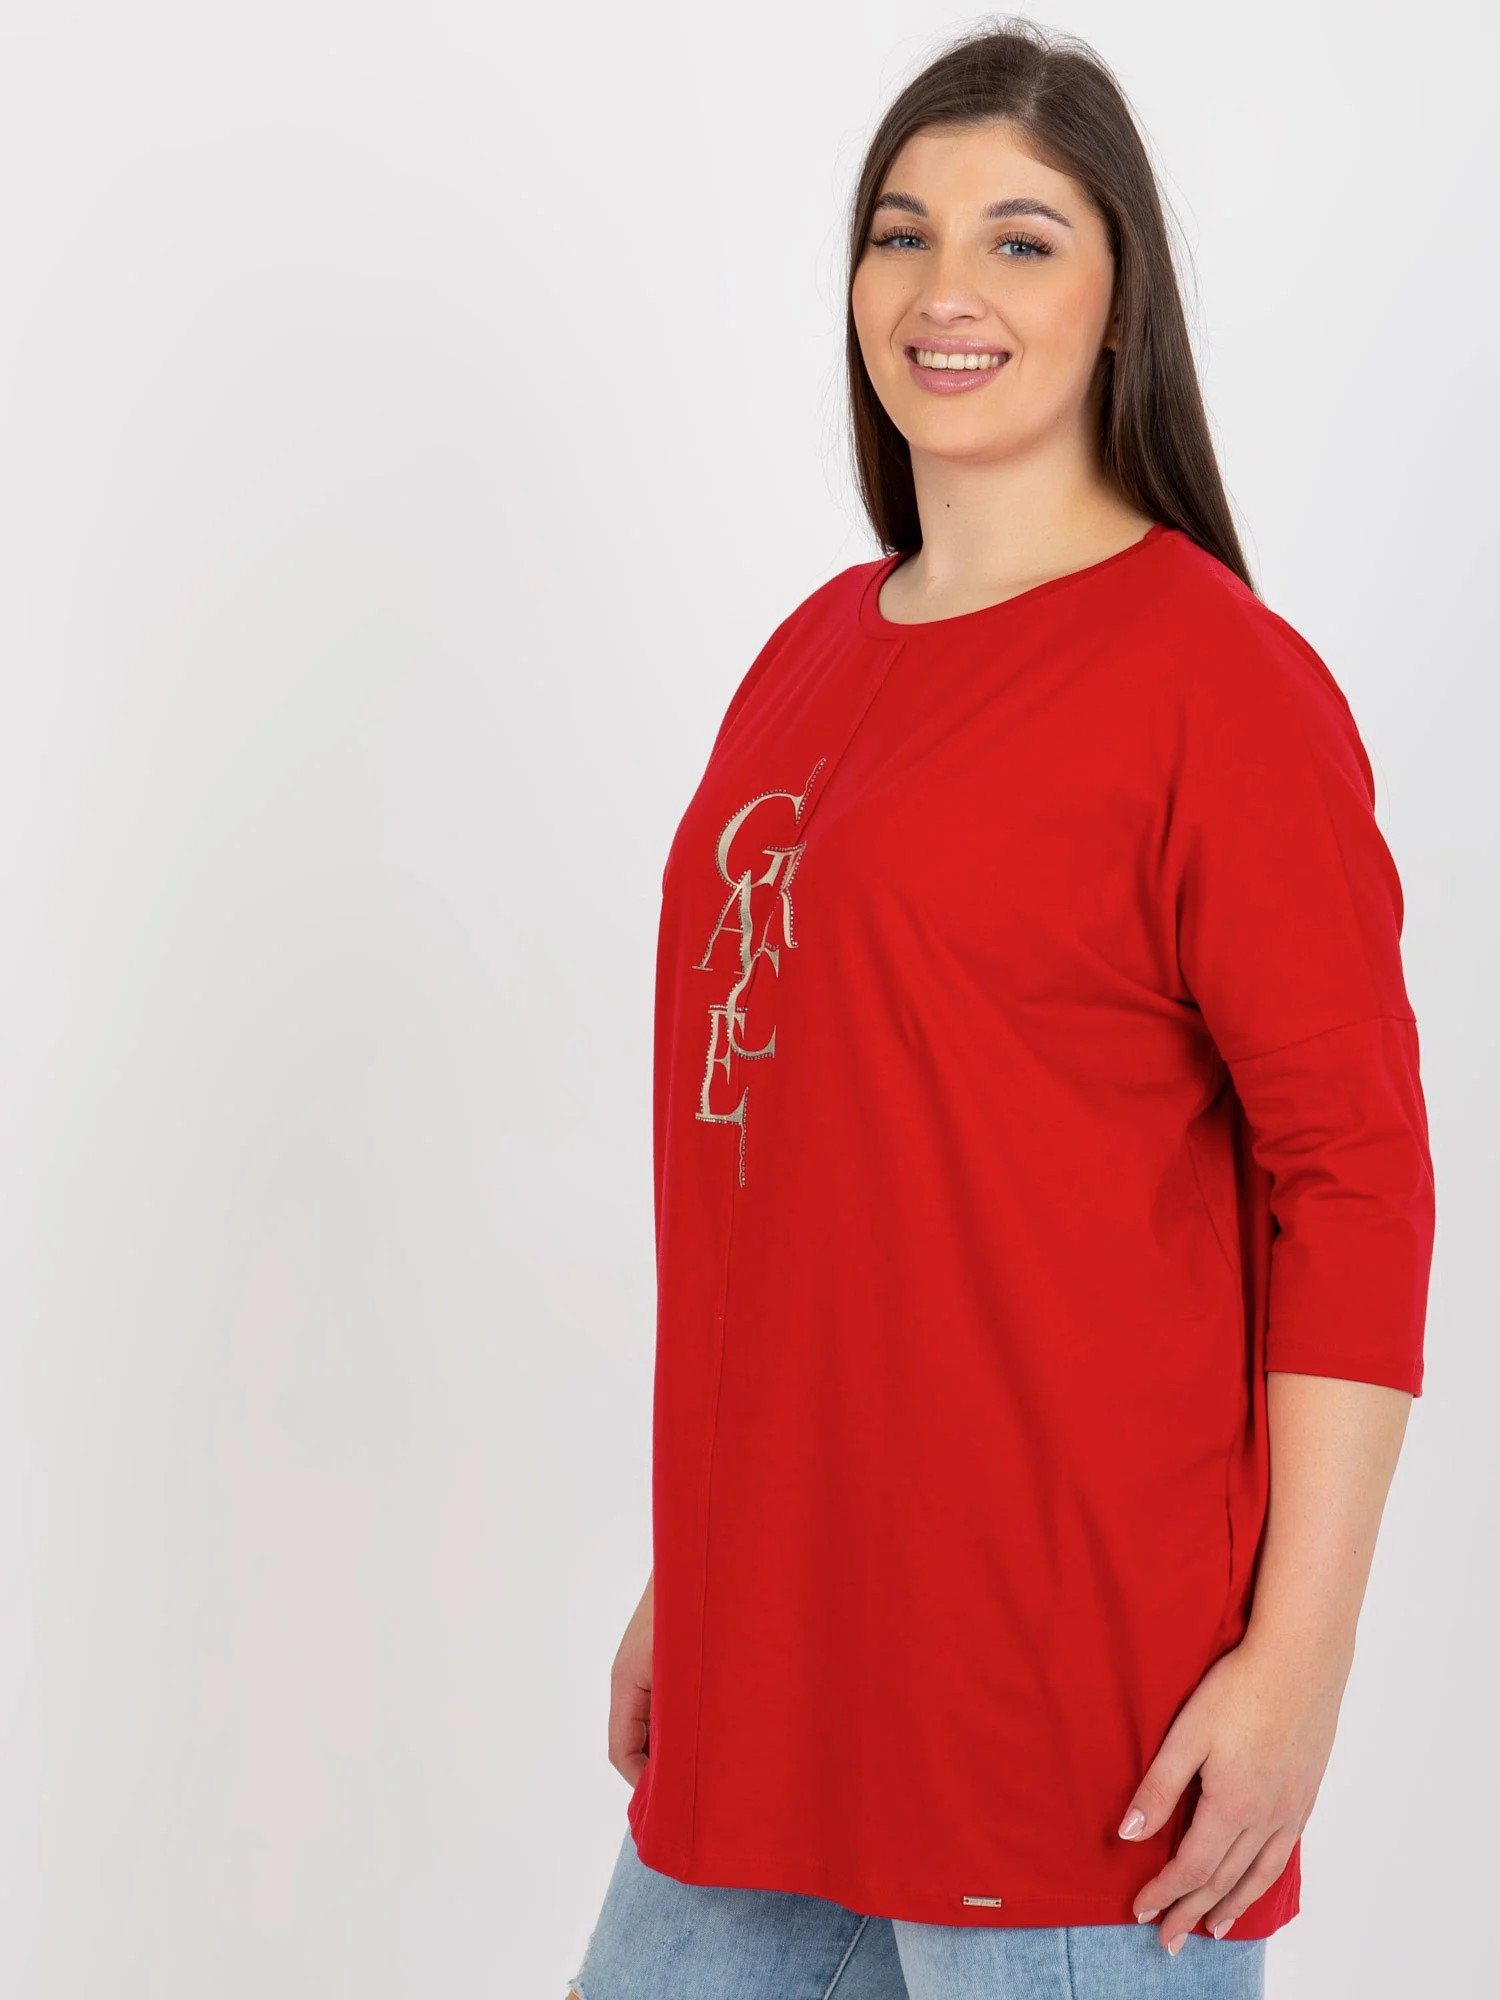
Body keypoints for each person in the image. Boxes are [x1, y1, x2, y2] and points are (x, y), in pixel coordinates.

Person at [566, 19, 1436, 2000]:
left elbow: (1357, 1187)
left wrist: (1299, 1665)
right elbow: (810, 1168)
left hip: (1069, 1727)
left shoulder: (1216, 685)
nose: (944, 289)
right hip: (772, 1675)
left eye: (1020, 240)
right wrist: (698, 1571)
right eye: (903, 233)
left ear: (1121, 299)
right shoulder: (807, 655)